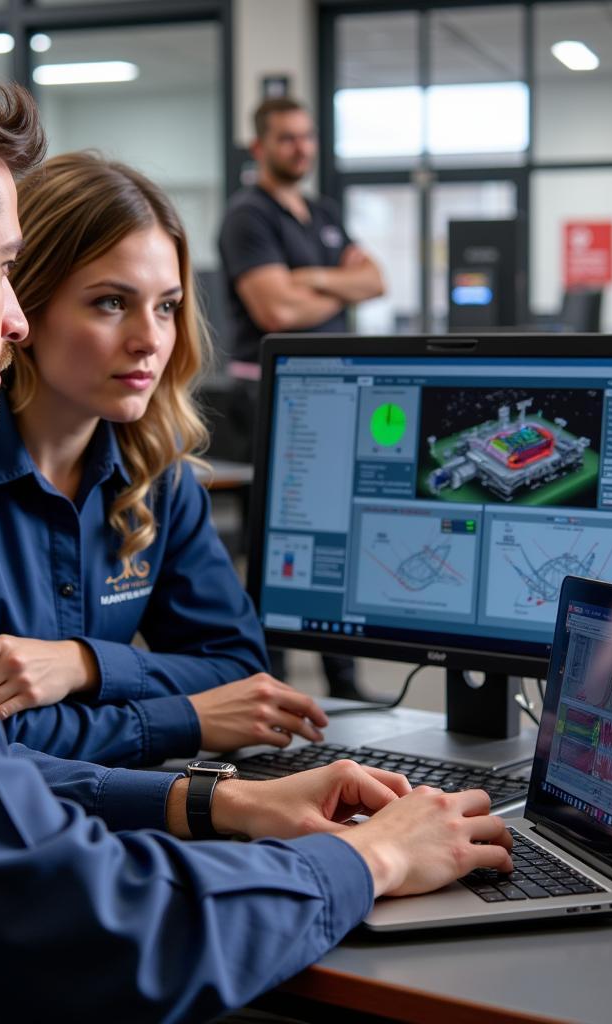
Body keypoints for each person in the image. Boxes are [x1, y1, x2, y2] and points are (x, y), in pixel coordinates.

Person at [0, 46, 512, 1023]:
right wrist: (363, 857)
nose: (18, 321)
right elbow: (99, 935)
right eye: (5, 268)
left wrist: (210, 800)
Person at [0, 151, 328, 760]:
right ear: (24, 303)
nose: (150, 340)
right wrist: (185, 720)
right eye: (111, 302)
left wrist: (85, 665)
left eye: (166, 306)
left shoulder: (156, 471)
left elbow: (242, 672)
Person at [218, 95, 385, 701]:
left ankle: (348, 684)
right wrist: (338, 288)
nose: (301, 148)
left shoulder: (322, 211)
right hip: (270, 399)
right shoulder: (248, 217)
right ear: (260, 147)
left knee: (341, 538)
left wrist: (309, 280)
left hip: (336, 396)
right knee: (282, 544)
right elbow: (275, 310)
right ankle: (277, 685)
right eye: (287, 138)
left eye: (307, 137)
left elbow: (376, 278)